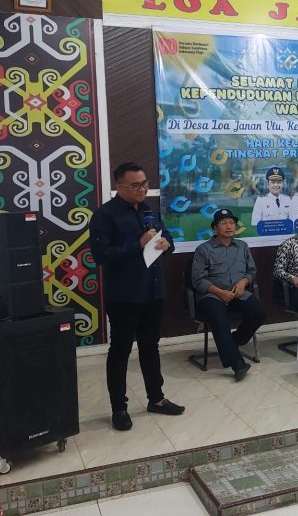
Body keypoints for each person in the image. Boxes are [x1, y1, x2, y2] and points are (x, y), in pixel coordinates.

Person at [90, 162, 185, 432]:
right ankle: (119, 408)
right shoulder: (105, 215)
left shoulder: (149, 210)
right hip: (124, 295)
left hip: (153, 291)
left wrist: (166, 244)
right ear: (119, 186)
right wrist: (138, 243)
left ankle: (157, 398)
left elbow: (167, 239)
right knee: (120, 351)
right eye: (135, 185)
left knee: (150, 346)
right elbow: (101, 255)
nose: (142, 189)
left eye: (144, 184)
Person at [191, 209, 264, 381]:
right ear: (215, 228)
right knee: (219, 319)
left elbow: (251, 271)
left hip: (238, 292)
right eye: (223, 223)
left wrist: (243, 282)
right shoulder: (204, 249)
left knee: (259, 313)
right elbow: (197, 280)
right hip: (212, 295)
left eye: (231, 223)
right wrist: (220, 292)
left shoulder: (242, 246)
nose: (229, 226)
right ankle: (237, 364)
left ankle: (232, 341)